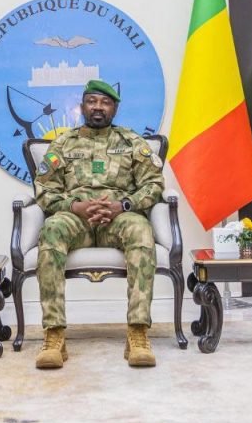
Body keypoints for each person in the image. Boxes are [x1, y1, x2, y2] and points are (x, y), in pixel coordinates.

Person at [32, 79, 164, 369]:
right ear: (82, 107)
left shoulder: (131, 142)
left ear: (114, 109)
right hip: (75, 217)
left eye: (105, 103)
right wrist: (75, 206)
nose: (98, 107)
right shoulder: (63, 143)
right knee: (51, 229)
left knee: (141, 230)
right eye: (92, 101)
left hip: (119, 217)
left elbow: (153, 185)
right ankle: (54, 336)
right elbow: (44, 189)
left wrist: (122, 206)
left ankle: (138, 333)